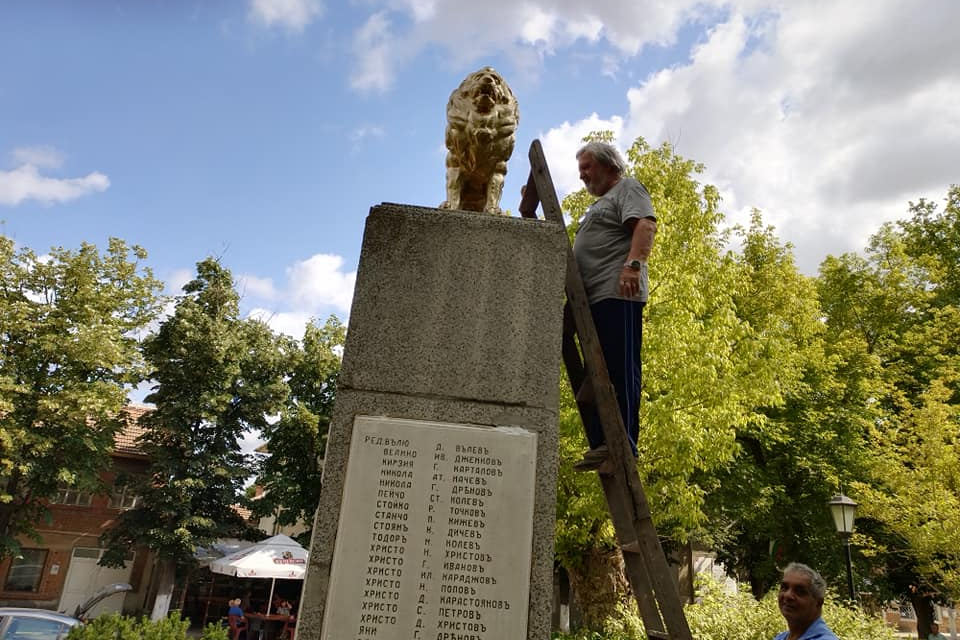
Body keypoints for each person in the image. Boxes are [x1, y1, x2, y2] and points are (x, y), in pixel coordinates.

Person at [570, 140, 657, 471]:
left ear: (609, 165)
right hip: (590, 300)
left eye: (587, 168)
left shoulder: (628, 189)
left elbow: (645, 226)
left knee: (621, 371)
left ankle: (624, 446)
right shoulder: (597, 205)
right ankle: (604, 443)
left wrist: (632, 265)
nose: (582, 176)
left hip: (617, 293)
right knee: (594, 376)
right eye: (580, 170)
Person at [773, 563, 839, 640]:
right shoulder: (780, 638)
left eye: (799, 591)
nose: (788, 595)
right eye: (784, 587)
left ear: (818, 603)